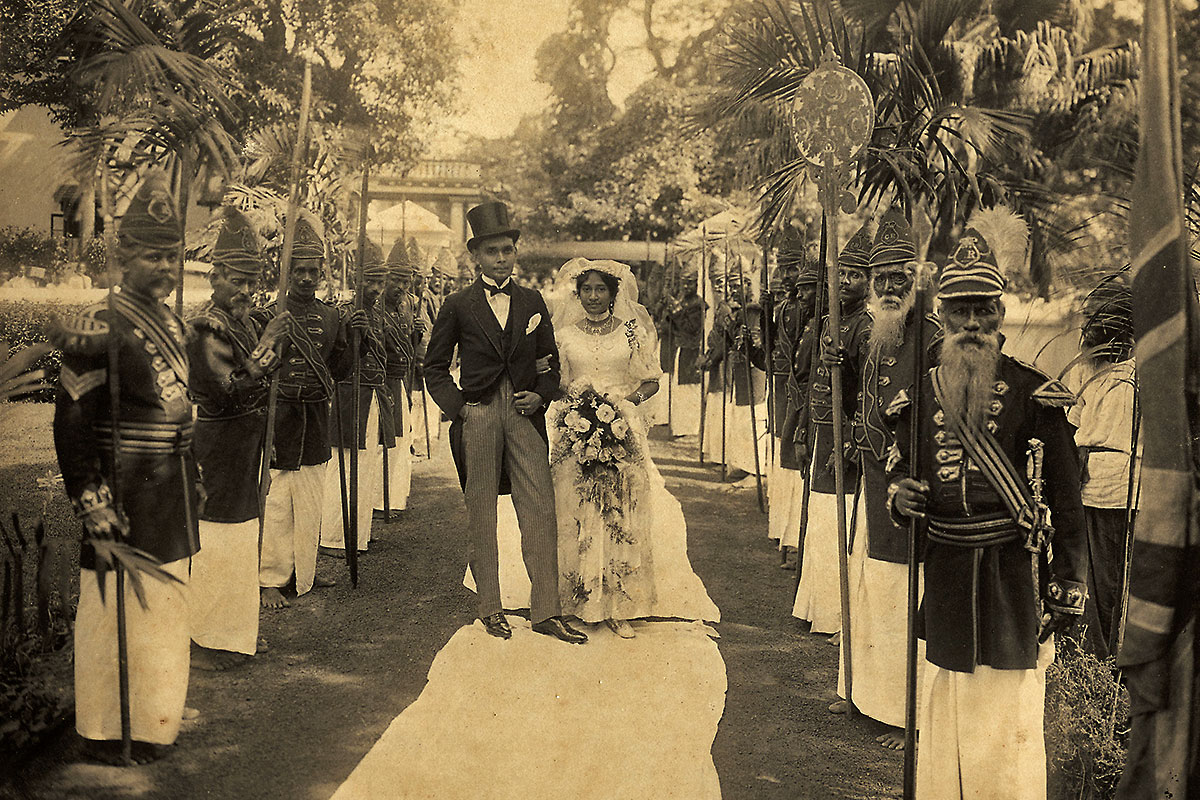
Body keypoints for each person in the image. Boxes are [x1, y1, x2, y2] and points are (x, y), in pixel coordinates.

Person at [888, 221, 1087, 800]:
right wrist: (900, 495)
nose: (972, 325)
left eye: (983, 311)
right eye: (959, 312)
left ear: (1000, 315)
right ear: (943, 318)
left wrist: (1067, 585)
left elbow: (1068, 503)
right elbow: (901, 472)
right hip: (947, 569)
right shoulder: (920, 396)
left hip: (1011, 577)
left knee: (1007, 709)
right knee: (947, 695)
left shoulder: (1035, 394)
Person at [50, 172, 198, 764]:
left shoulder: (176, 323)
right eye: (151, 255)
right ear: (123, 255)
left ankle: (154, 723)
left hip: (170, 493)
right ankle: (104, 727)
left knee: (162, 616)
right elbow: (71, 426)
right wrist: (92, 500)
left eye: (172, 255)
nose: (164, 266)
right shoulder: (96, 327)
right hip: (123, 491)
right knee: (111, 610)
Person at [423, 201, 587, 644]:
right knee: (481, 510)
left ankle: (546, 610)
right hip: (477, 414)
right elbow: (434, 367)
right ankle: (490, 606)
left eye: (507, 250)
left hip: (524, 414)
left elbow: (550, 363)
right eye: (492, 251)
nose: (501, 258)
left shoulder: (533, 301)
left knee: (539, 508)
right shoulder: (458, 304)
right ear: (476, 255)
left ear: (515, 252)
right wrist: (459, 408)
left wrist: (543, 393)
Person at [547, 259, 720, 638]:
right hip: (575, 433)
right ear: (577, 293)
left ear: (613, 293)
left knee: (619, 512)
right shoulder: (564, 334)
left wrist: (624, 403)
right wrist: (577, 403)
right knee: (578, 510)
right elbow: (558, 382)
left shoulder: (631, 331)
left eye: (601, 290)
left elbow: (650, 379)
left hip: (621, 428)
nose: (593, 297)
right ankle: (580, 598)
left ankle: (619, 604)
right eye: (586, 290)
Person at [822, 208, 939, 746]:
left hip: (913, 492)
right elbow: (862, 401)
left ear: (916, 282)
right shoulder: (874, 333)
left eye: (900, 279)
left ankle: (906, 715)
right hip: (871, 485)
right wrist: (836, 362)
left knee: (904, 598)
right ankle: (868, 695)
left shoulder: (933, 338)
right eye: (881, 280)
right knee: (876, 589)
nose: (890, 288)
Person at [187, 207, 289, 669]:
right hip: (219, 446)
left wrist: (269, 340)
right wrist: (268, 346)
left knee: (244, 539)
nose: (246, 290)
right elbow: (227, 391)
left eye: (252, 281)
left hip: (245, 446)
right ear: (216, 277)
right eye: (237, 281)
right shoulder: (207, 327)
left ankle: (236, 632)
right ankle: (208, 640)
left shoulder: (243, 322)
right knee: (218, 541)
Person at [254, 213, 369, 609]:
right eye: (298, 270)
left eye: (312, 271)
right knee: (276, 503)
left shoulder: (331, 316)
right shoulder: (266, 317)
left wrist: (358, 339)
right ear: (285, 270)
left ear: (322, 272)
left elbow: (339, 370)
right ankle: (270, 579)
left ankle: (304, 571)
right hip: (279, 420)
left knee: (310, 501)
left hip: (317, 419)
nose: (305, 278)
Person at [791, 221, 872, 635]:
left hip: (844, 436)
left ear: (870, 282)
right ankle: (815, 607)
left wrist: (854, 438)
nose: (845, 280)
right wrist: (804, 432)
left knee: (835, 521)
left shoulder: (867, 327)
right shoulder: (828, 321)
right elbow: (814, 385)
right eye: (841, 272)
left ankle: (835, 617)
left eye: (856, 275)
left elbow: (864, 391)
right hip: (821, 431)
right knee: (819, 521)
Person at [1066, 273, 1138, 659]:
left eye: (1104, 321)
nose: (1093, 330)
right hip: (1089, 489)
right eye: (1091, 321)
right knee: (1091, 580)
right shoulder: (1087, 372)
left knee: (1114, 581)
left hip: (1122, 492)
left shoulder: (1135, 379)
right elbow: (1072, 422)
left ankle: (1112, 661)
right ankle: (1095, 659)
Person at [319, 242, 395, 556]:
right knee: (343, 464)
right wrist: (354, 334)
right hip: (351, 396)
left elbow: (388, 355)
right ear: (357, 279)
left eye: (381, 282)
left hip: (374, 395)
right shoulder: (344, 313)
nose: (376, 288)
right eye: (371, 281)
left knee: (366, 468)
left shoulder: (377, 315)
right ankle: (334, 537)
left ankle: (359, 532)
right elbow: (335, 362)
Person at [375, 244, 419, 517]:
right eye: (396, 279)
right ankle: (380, 502)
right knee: (384, 444)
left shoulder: (406, 306)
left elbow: (408, 345)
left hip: (400, 380)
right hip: (382, 382)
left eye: (405, 280)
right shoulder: (375, 307)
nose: (401, 285)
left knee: (401, 442)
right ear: (385, 279)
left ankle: (393, 498)